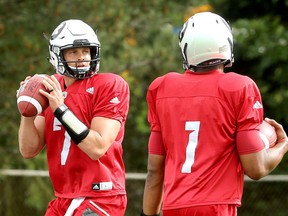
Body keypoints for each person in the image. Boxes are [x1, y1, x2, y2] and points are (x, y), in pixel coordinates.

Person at [141, 12, 288, 216]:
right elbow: (256, 168)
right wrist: (282, 146)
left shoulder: (162, 87)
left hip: (174, 205)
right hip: (217, 206)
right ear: (226, 44)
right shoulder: (239, 86)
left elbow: (154, 172)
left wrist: (147, 215)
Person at [17, 19, 129, 215]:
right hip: (64, 196)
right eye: (73, 52)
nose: (82, 57)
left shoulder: (110, 84)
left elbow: (97, 147)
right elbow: (28, 150)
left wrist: (61, 109)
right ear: (57, 55)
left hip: (100, 197)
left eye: (86, 51)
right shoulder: (51, 86)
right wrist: (27, 110)